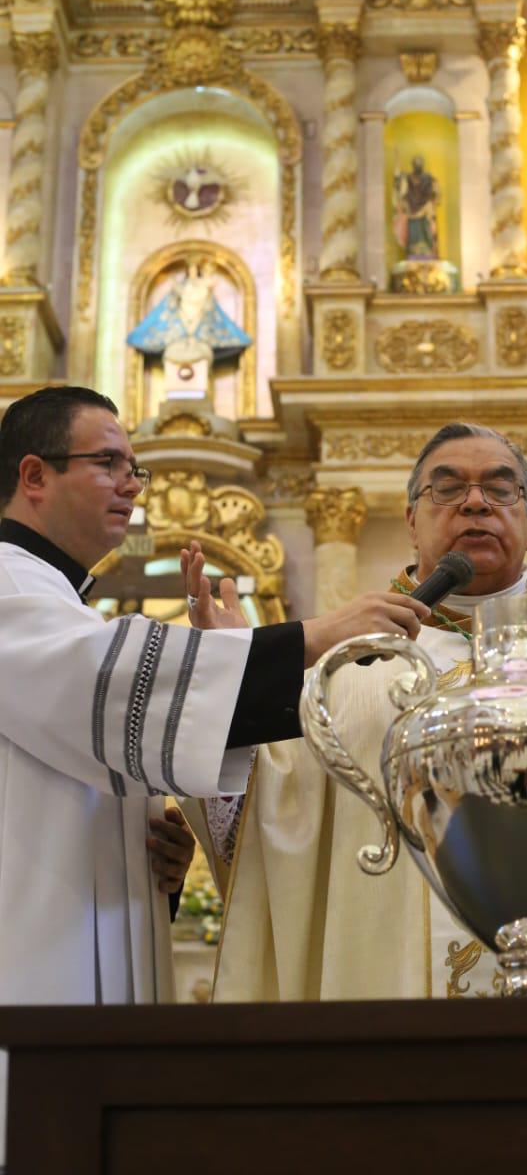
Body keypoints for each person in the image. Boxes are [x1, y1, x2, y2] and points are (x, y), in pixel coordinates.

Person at [214, 422, 527, 1001]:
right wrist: (235, 679)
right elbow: (269, 818)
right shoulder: (347, 674)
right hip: (397, 998)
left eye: (501, 490)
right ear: (411, 521)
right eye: (447, 489)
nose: (476, 502)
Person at [0, 385, 428, 1004]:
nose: (132, 484)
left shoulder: (57, 597)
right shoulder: (11, 586)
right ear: (35, 474)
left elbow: (83, 745)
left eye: (134, 468)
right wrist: (315, 637)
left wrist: (151, 859)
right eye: (109, 464)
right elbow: (103, 679)